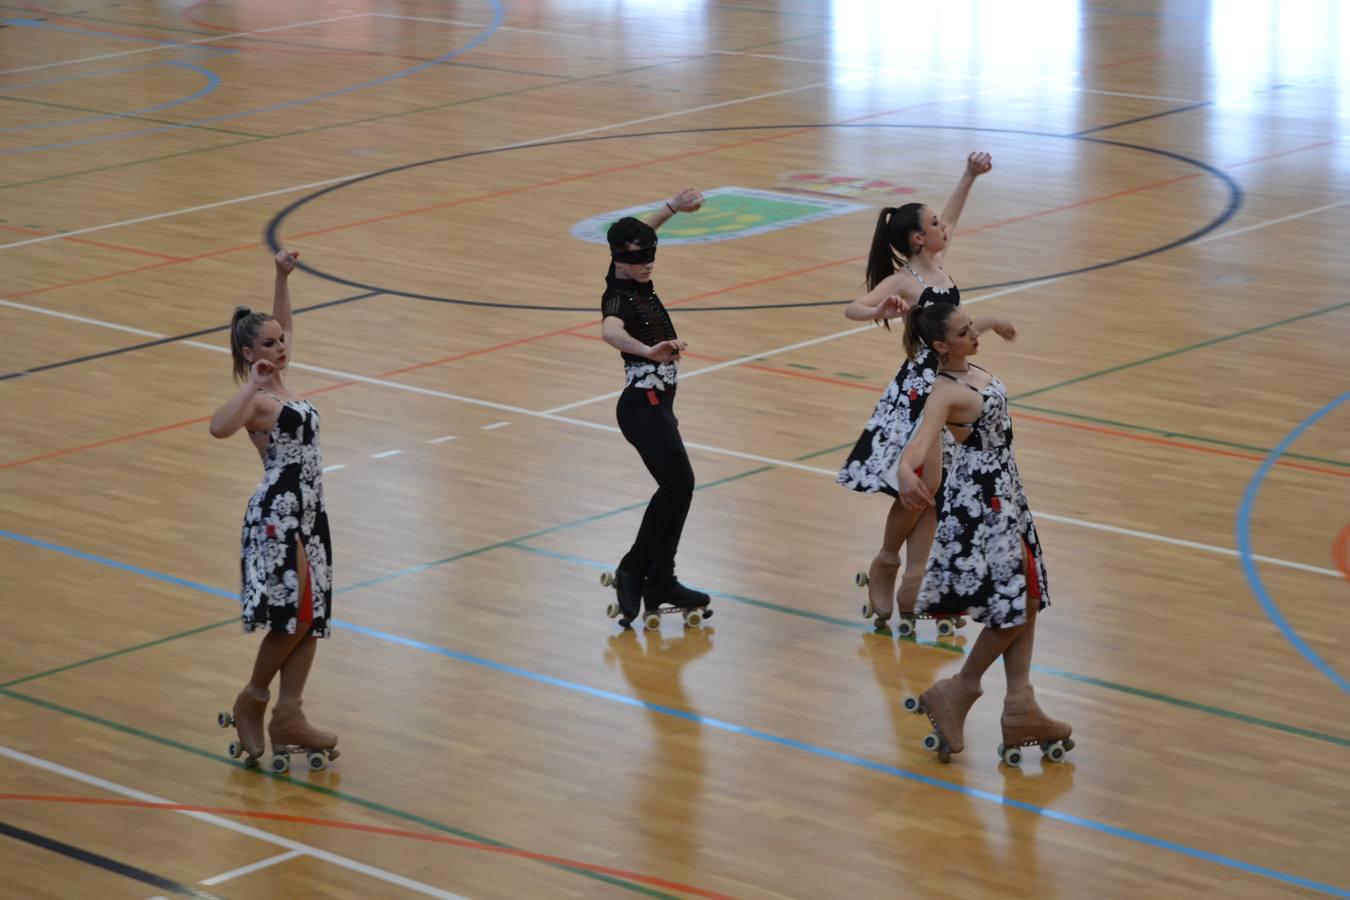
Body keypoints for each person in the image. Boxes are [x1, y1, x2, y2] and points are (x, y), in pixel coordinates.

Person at [837, 152, 1016, 634]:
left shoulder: (936, 262)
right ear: (918, 237)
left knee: (934, 494)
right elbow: (852, 308)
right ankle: (887, 561)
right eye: (934, 223)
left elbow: (953, 216)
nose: (944, 226)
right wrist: (884, 309)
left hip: (952, 384)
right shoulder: (904, 280)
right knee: (922, 489)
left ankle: (916, 579)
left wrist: (969, 176)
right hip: (920, 392)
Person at [896, 303, 1073, 765]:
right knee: (1019, 602)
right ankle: (960, 689)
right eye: (964, 331)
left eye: (972, 326)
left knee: (1028, 593)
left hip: (1006, 488)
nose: (973, 334)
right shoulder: (943, 392)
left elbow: (973, 327)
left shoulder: (963, 357)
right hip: (983, 500)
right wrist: (903, 469)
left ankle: (1020, 705)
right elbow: (921, 438)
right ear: (940, 346)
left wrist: (993, 322)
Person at [209, 249, 338, 770]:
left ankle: (290, 714)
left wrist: (281, 277)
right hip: (278, 513)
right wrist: (253, 384)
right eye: (269, 344)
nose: (281, 347)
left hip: (311, 510)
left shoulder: (282, 380)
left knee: (312, 617)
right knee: (293, 617)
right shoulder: (258, 399)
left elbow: (281, 322)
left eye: (282, 342)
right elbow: (218, 427)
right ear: (248, 351)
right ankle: (254, 700)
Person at [599, 188, 713, 628]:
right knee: (679, 481)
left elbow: (641, 236)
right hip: (640, 405)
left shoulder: (636, 275)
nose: (647, 261)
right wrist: (647, 351)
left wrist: (671, 208)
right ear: (617, 261)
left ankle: (661, 578)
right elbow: (610, 333)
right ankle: (634, 570)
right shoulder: (618, 296)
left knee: (678, 488)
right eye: (637, 256)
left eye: (652, 254)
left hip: (659, 405)